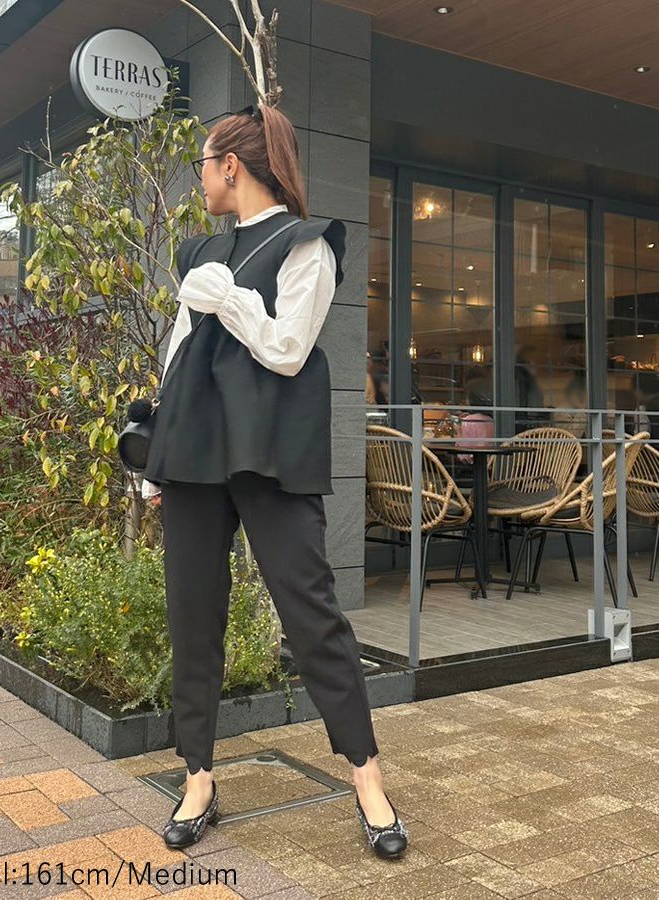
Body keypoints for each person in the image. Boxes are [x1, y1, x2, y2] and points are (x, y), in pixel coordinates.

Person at [141, 103, 407, 859]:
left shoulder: (305, 243)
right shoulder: (202, 250)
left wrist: (227, 297)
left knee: (311, 611)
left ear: (232, 165)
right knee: (193, 615)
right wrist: (156, 453)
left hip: (270, 451)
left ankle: (367, 779)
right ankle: (198, 779)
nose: (198, 177)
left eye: (203, 162)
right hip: (194, 451)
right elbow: (180, 355)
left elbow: (288, 350)